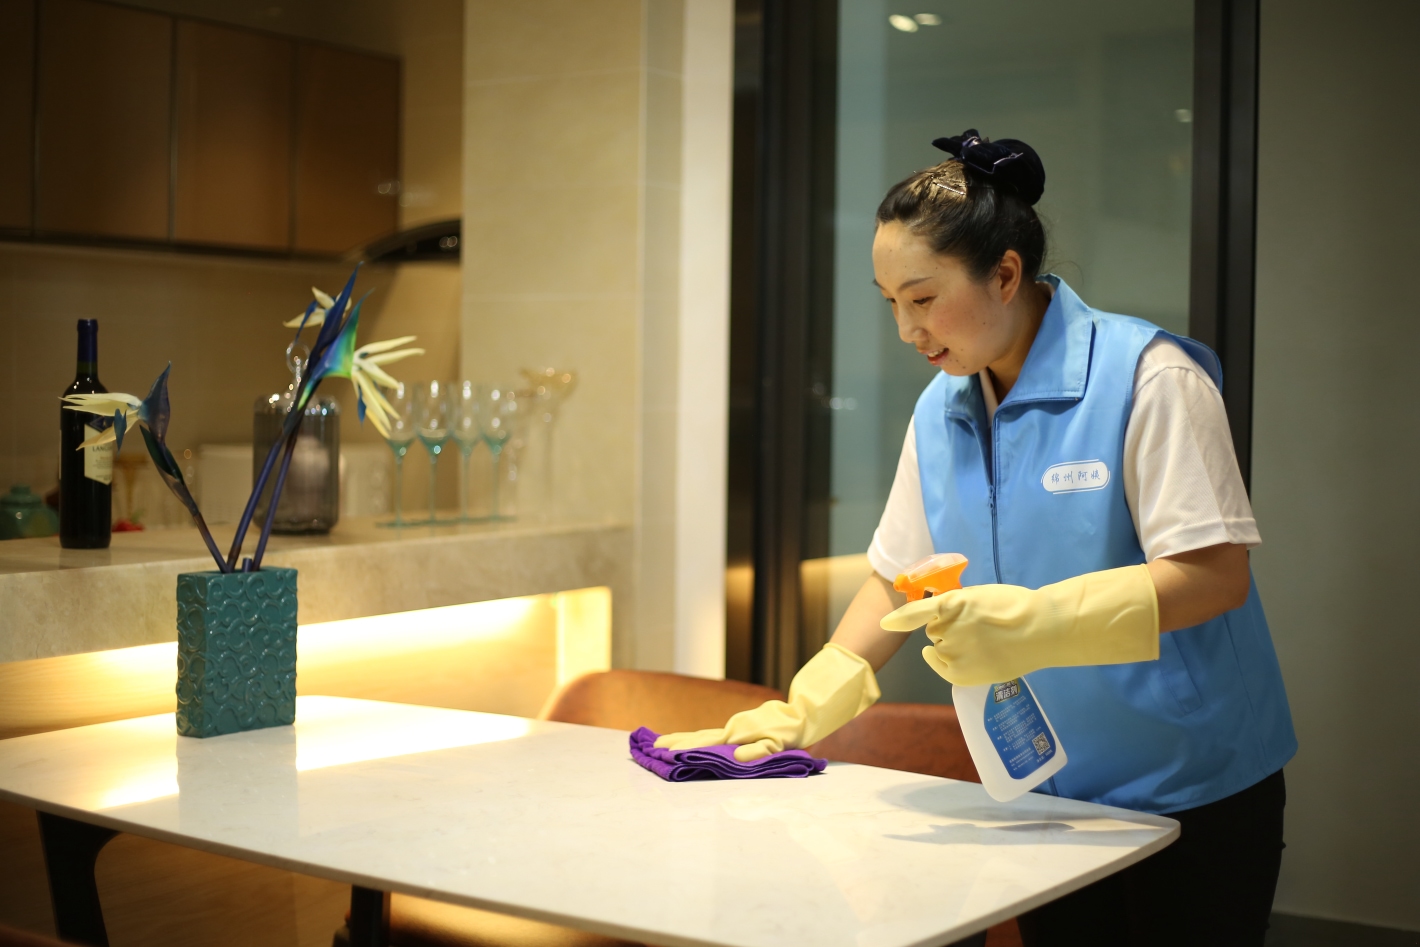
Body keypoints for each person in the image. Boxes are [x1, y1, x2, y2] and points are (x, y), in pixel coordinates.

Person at [656, 130, 1296, 946]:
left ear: (1005, 274)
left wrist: (1038, 621)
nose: (906, 328)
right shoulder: (943, 407)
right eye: (890, 303)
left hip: (1193, 785)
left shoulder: (1150, 378)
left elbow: (1214, 575)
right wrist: (810, 697)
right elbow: (896, 574)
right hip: (1051, 789)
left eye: (923, 298)